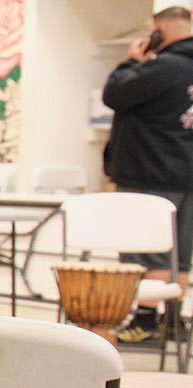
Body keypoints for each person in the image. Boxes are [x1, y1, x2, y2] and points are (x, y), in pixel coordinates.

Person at [102, 6, 193, 343]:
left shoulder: (162, 67)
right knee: (178, 254)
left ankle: (145, 322)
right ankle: (172, 319)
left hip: (149, 173)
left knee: (144, 251)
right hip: (187, 177)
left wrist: (131, 61)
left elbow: (114, 94)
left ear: (161, 31)